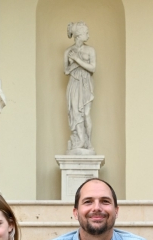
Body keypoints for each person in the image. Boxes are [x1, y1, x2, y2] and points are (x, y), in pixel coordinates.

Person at [64, 21, 96, 152]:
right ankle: (80, 141)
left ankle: (88, 143)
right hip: (74, 84)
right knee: (76, 114)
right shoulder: (68, 51)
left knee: (87, 114)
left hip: (86, 84)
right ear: (78, 35)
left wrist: (77, 60)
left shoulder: (90, 50)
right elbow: (66, 71)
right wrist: (77, 62)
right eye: (86, 33)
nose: (88, 35)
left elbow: (93, 68)